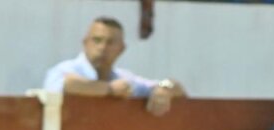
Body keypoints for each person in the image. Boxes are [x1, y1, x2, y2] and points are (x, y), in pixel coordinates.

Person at [42, 17, 184, 116]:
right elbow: (67, 84)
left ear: (121, 49)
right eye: (97, 40)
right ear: (85, 43)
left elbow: (176, 88)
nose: (102, 47)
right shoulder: (64, 70)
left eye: (110, 42)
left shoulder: (124, 79)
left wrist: (164, 89)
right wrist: (109, 89)